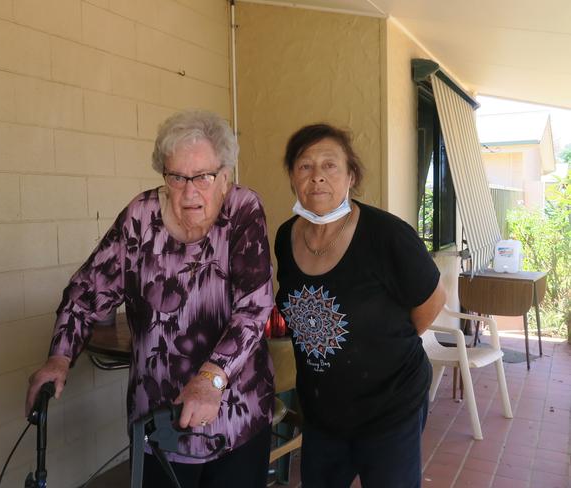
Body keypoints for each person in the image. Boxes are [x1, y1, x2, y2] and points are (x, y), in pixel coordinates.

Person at [25, 110, 275, 487]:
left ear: (225, 177)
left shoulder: (242, 211)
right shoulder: (140, 218)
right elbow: (86, 291)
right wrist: (59, 356)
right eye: (176, 176)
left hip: (235, 416)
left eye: (203, 177)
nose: (189, 191)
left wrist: (211, 380)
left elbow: (254, 309)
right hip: (157, 418)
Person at [274, 123, 446, 488]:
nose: (317, 177)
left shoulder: (387, 236)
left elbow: (432, 301)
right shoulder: (285, 237)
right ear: (292, 177)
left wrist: (385, 344)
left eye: (330, 165)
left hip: (390, 407)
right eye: (305, 166)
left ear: (351, 176)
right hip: (322, 412)